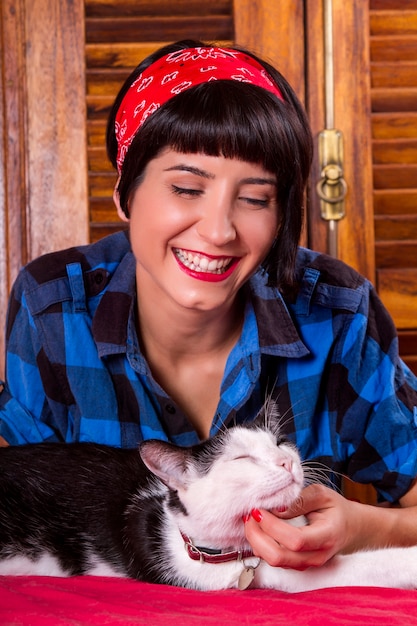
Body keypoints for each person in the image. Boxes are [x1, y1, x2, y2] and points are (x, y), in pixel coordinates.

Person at [1, 39, 417, 572]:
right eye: (186, 187)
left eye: (254, 198)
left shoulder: (337, 314)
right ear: (126, 193)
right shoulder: (53, 307)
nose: (219, 232)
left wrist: (363, 528)